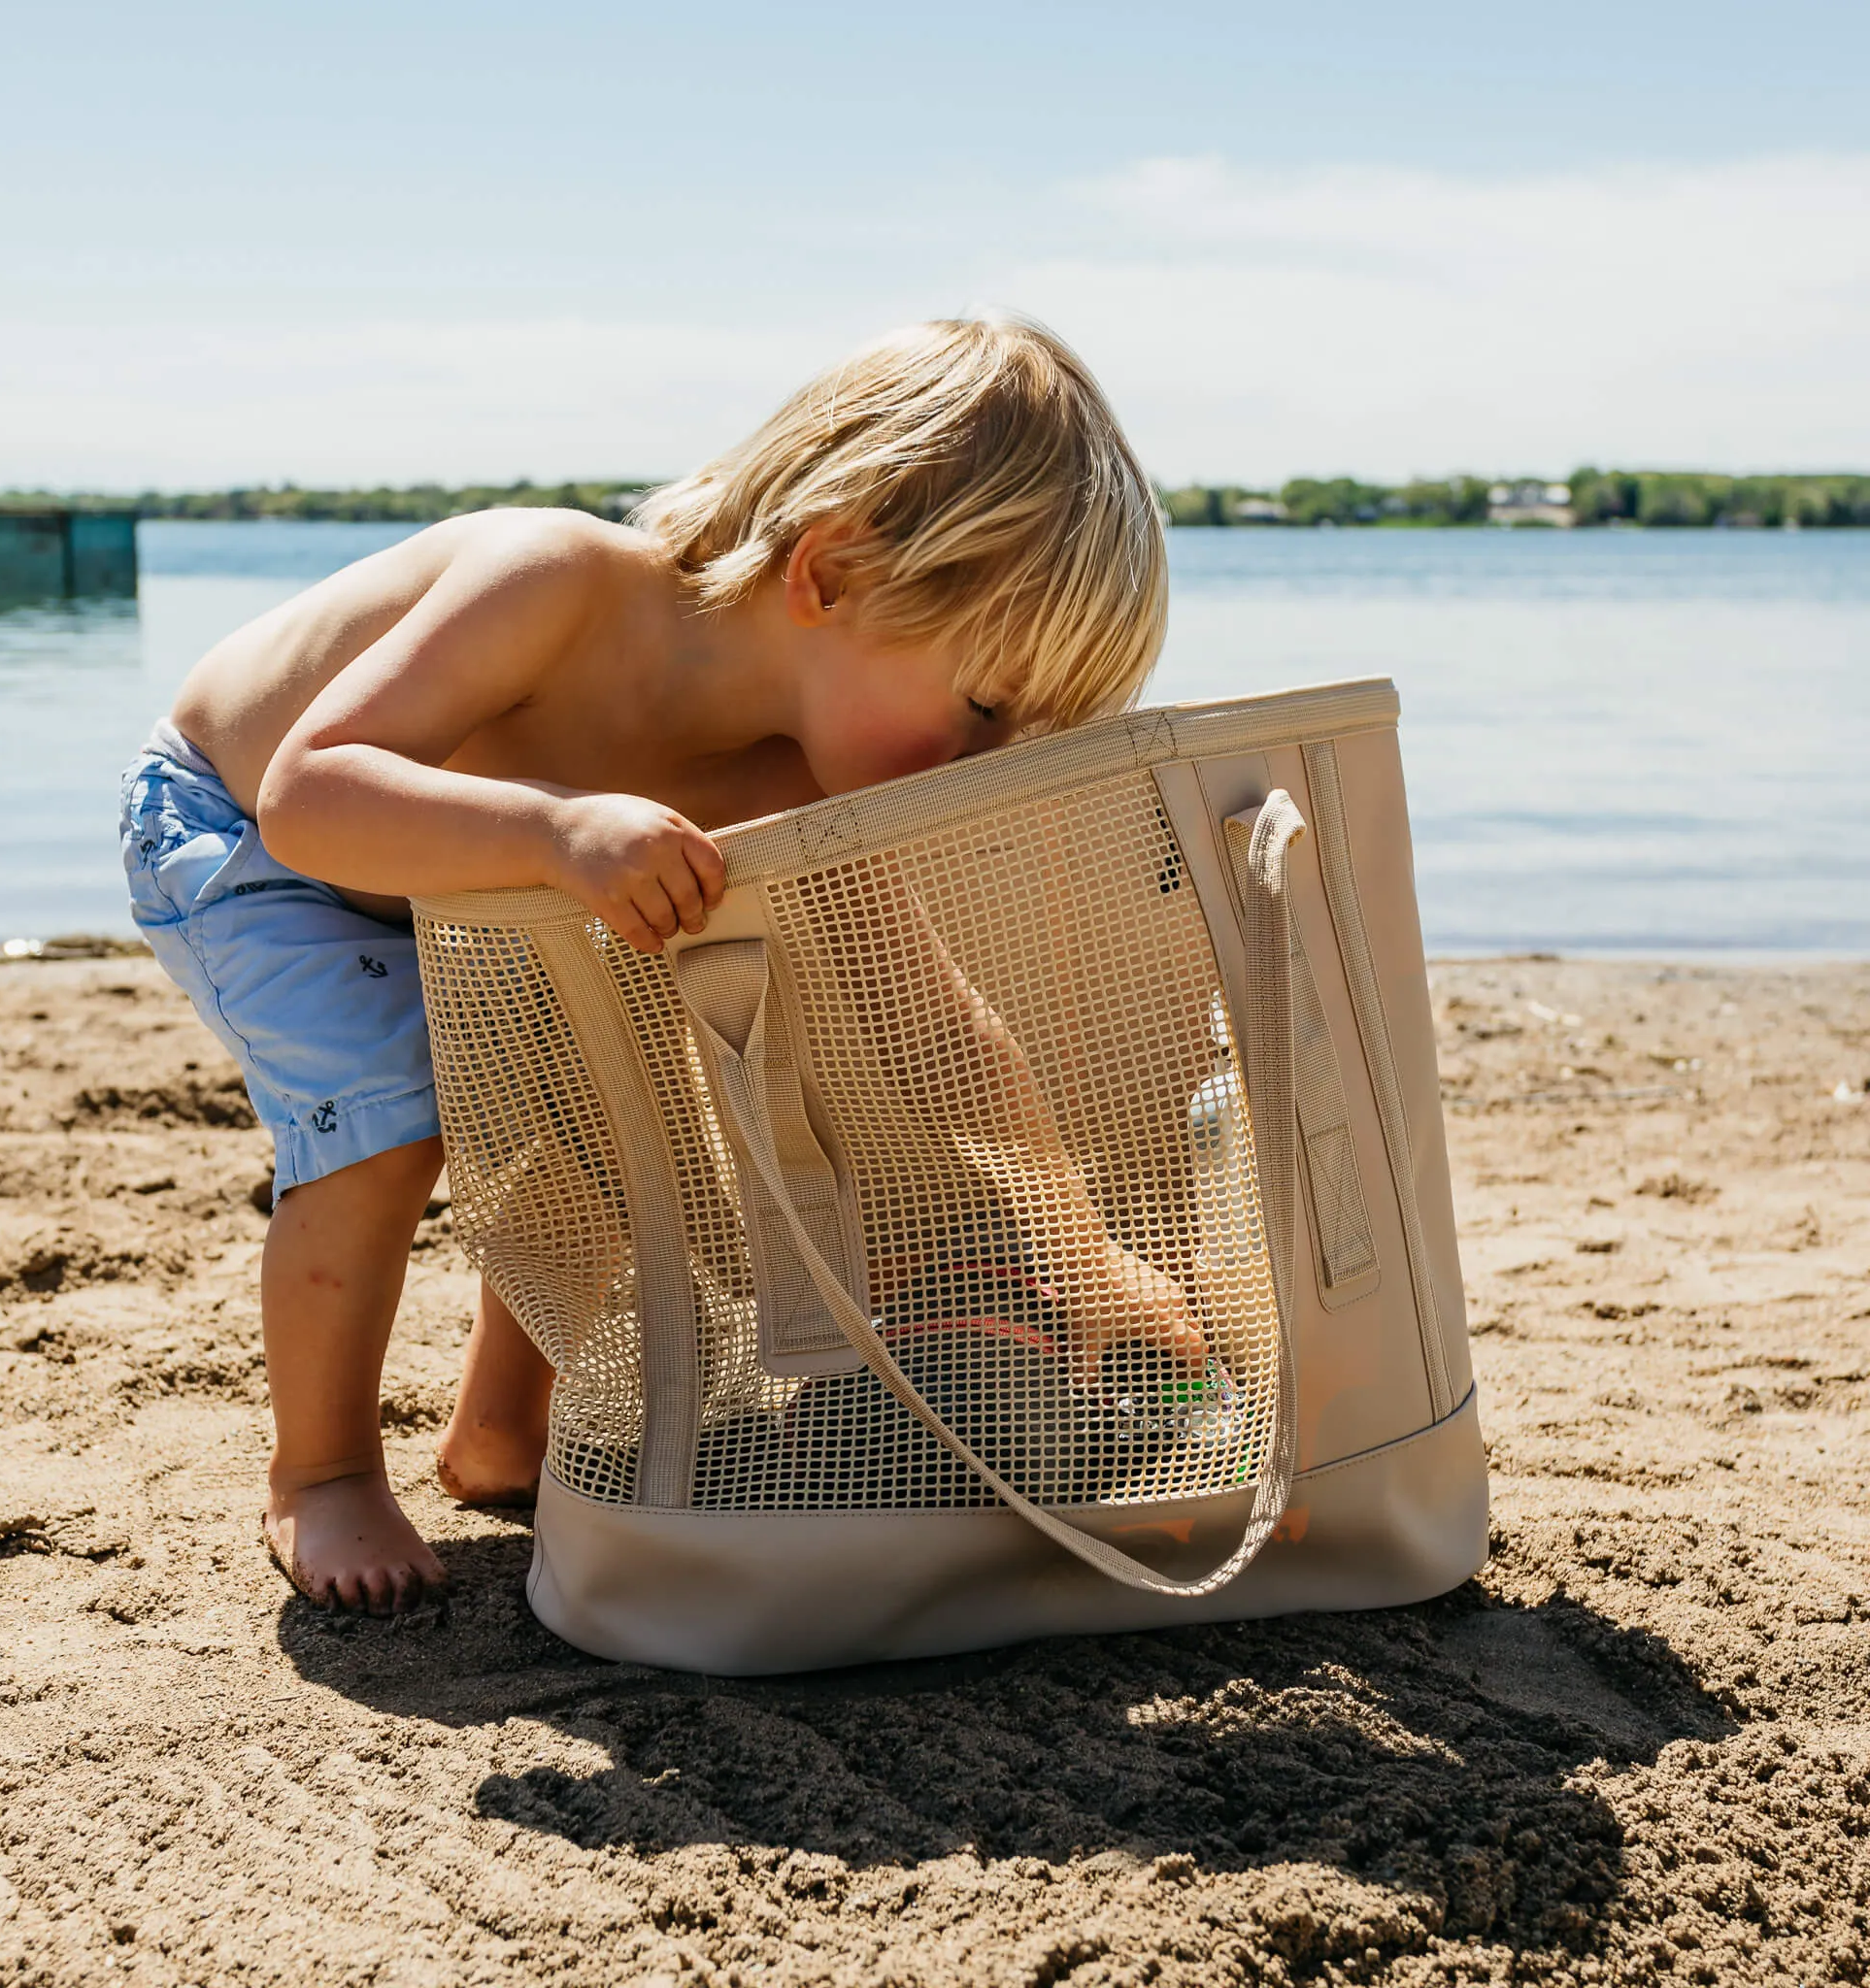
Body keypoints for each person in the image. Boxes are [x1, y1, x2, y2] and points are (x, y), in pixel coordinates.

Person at [118, 315, 1174, 1614]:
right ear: (831, 572)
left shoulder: (799, 776)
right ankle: (322, 1470)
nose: (984, 762)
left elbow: (932, 1028)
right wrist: (560, 830)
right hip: (252, 840)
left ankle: (502, 1430)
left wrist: (1087, 1247)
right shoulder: (553, 579)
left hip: (474, 884)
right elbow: (312, 792)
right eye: (982, 706)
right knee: (395, 1116)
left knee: (615, 1109)